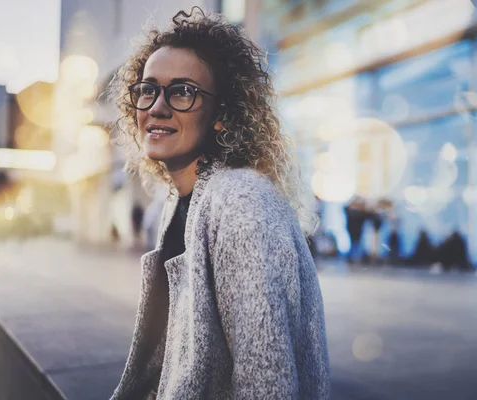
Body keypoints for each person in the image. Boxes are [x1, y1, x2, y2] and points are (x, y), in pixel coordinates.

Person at [108, 8, 330, 399]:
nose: (157, 107)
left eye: (182, 91)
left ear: (221, 116)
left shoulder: (241, 202)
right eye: (148, 89)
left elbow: (267, 384)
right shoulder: (180, 200)